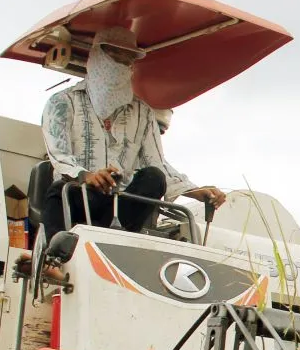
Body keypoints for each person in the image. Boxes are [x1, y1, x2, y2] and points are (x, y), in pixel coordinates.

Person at [38, 28, 227, 242]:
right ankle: (53, 257)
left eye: (127, 59)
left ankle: (114, 242)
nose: (121, 64)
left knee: (154, 177)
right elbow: (59, 157)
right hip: (78, 198)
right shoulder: (62, 102)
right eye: (114, 56)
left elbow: (157, 163)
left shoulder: (143, 112)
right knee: (61, 187)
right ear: (97, 56)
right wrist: (88, 176)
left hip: (123, 206)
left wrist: (194, 190)